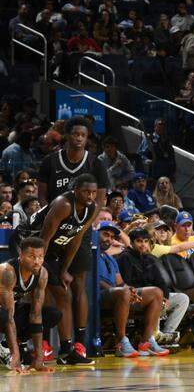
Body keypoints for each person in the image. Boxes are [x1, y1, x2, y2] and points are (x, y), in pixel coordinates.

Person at [36, 116, 110, 359]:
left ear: (87, 139)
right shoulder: (50, 162)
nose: (79, 138)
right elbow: (42, 198)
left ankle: (79, 343)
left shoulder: (95, 164)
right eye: (75, 134)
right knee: (44, 283)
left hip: (80, 229)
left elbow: (99, 201)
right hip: (52, 226)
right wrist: (58, 220)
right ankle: (43, 342)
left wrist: (83, 223)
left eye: (84, 135)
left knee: (76, 285)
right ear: (67, 135)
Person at [15, 172, 99, 365]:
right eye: (86, 192)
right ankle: (26, 347)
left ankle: (67, 350)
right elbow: (43, 238)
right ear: (75, 190)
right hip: (28, 243)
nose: (91, 196)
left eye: (94, 192)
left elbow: (75, 239)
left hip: (50, 250)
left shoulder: (91, 208)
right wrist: (36, 267)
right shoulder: (64, 205)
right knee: (41, 294)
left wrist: (64, 269)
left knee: (64, 294)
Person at [95, 222, 170, 357]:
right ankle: (121, 342)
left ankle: (146, 342)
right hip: (97, 295)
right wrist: (121, 290)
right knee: (124, 292)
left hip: (117, 295)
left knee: (157, 292)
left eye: (112, 237)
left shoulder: (110, 259)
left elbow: (121, 283)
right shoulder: (91, 254)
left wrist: (131, 290)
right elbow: (93, 279)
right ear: (95, 234)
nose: (109, 239)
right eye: (105, 234)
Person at [0, 237, 56, 373]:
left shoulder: (42, 273)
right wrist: (16, 358)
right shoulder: (7, 271)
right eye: (31, 256)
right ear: (21, 255)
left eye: (40, 256)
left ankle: (6, 346)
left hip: (8, 313)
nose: (37, 261)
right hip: (4, 313)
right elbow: (9, 317)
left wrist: (39, 358)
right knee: (4, 315)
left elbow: (35, 314)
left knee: (51, 315)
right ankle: (12, 353)